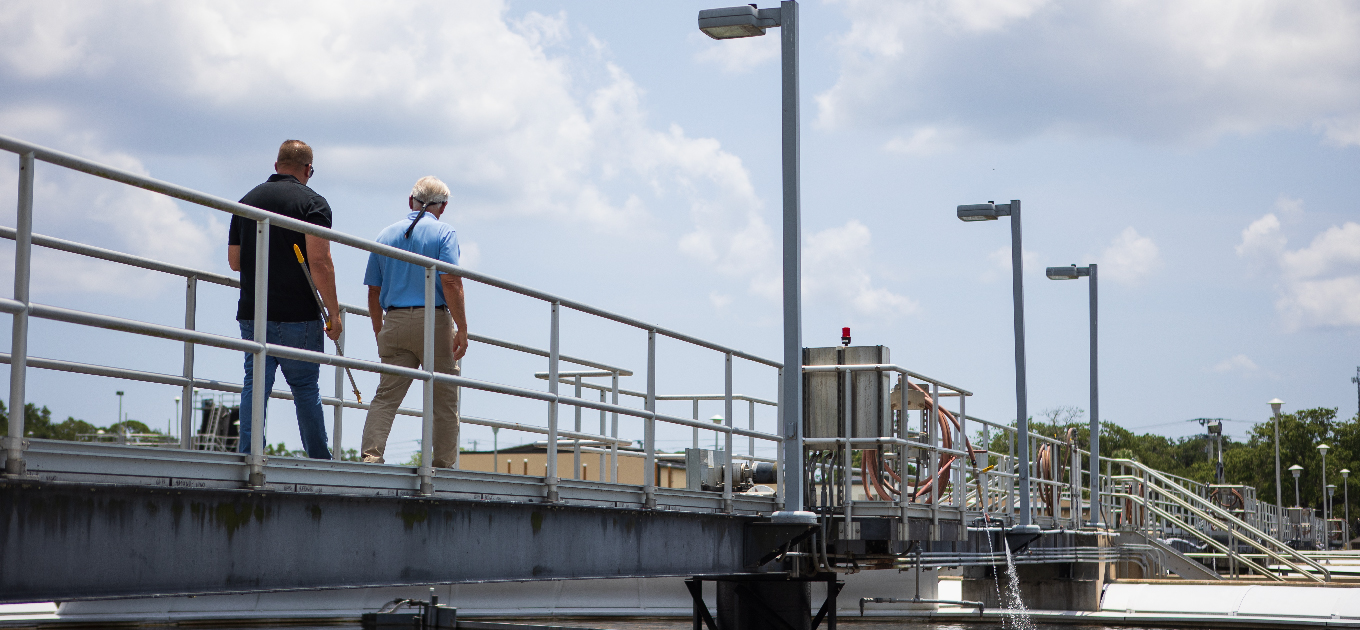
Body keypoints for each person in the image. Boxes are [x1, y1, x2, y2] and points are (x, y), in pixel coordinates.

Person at [227, 139, 341, 459]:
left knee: (255, 386)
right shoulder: (313, 204)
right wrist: (334, 313)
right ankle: (319, 460)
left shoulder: (246, 201)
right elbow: (319, 262)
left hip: (254, 311)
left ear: (276, 166)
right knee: (305, 389)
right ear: (308, 170)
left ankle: (251, 454)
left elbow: (235, 261)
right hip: (299, 315)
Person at [360, 176, 468, 467]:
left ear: (411, 201)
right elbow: (451, 280)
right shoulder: (445, 232)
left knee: (386, 397)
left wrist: (378, 329)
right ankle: (443, 467)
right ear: (442, 207)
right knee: (444, 399)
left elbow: (373, 289)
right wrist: (463, 329)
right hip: (434, 321)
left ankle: (371, 457)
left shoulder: (385, 235)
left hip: (393, 320)